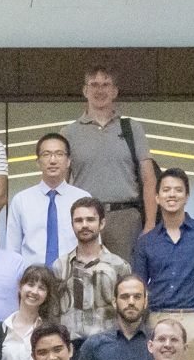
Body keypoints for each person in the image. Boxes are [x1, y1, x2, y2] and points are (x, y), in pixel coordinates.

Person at [129, 167, 194, 360]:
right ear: (157, 196)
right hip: (156, 319)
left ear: (187, 196)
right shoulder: (146, 241)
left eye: (178, 190)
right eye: (166, 190)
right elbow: (138, 285)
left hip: (193, 320)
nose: (172, 195)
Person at [64, 66, 156, 261]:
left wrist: (149, 225)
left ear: (115, 91)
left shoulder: (132, 129)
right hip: (85, 218)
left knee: (126, 283)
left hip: (124, 220)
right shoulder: (68, 133)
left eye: (106, 84)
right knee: (83, 278)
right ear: (84, 90)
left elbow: (149, 180)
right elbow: (62, 186)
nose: (100, 90)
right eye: (94, 84)